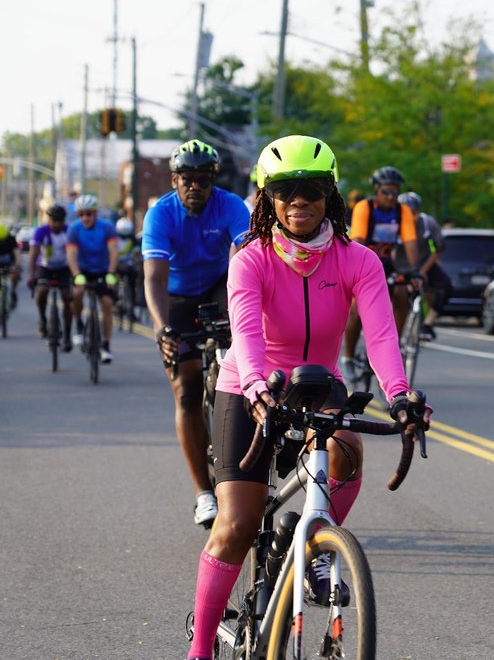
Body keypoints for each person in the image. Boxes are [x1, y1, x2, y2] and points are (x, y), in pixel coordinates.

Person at [185, 134, 432, 660]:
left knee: (347, 449)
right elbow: (246, 333)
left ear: (331, 196)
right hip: (249, 385)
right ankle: (200, 648)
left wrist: (400, 394)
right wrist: (256, 387)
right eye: (285, 191)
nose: (299, 200)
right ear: (267, 198)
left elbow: (381, 335)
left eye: (313, 189)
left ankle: (314, 537)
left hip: (318, 382)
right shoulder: (250, 258)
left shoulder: (358, 260)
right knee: (237, 524)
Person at [142, 139, 250, 527]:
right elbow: (154, 279)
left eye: (203, 179)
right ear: (174, 180)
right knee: (186, 389)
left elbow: (247, 257)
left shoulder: (232, 205)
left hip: (220, 287)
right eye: (186, 179)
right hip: (177, 296)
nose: (195, 186)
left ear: (212, 181)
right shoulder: (160, 215)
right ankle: (204, 493)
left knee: (240, 368)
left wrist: (243, 318)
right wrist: (162, 328)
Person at [341, 166, 422, 375]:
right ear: (377, 190)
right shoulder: (365, 207)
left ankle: (393, 345)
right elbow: (358, 240)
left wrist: (415, 271)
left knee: (402, 292)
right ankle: (348, 357)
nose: (391, 196)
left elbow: (411, 243)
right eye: (386, 191)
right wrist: (354, 271)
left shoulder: (402, 211)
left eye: (395, 191)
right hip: (363, 261)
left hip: (387, 263)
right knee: (357, 309)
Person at [66, 194, 119, 363]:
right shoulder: (74, 229)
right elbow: (71, 254)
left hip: (103, 270)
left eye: (89, 213)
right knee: (77, 294)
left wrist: (111, 273)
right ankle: (79, 325)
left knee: (107, 303)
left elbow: (114, 251)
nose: (85, 217)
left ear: (95, 213)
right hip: (82, 271)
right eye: (81, 214)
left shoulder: (107, 227)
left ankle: (106, 345)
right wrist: (76, 274)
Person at [397, 191, 452, 341]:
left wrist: (422, 271)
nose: (411, 217)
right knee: (397, 292)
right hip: (401, 265)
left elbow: (438, 249)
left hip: (424, 263)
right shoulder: (394, 224)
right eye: (407, 213)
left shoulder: (428, 223)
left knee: (445, 286)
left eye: (414, 213)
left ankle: (428, 323)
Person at [27, 204, 74, 351]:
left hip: (64, 267)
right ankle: (42, 318)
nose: (57, 224)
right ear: (49, 220)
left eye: (60, 221)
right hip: (45, 267)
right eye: (54, 220)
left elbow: (76, 253)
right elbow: (33, 255)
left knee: (67, 297)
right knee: (42, 291)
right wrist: (31, 275)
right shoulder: (41, 231)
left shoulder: (69, 232)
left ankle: (67, 335)